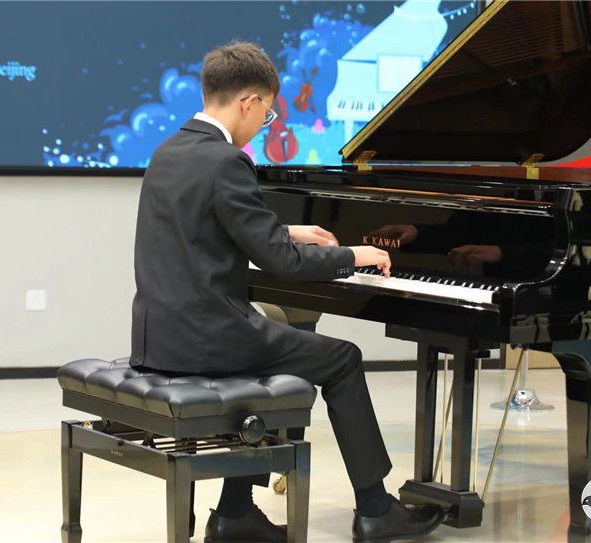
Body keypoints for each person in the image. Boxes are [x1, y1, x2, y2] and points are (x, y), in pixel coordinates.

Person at [129, 41, 445, 542]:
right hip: (210, 339)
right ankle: (375, 510)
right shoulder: (227, 161)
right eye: (268, 114)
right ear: (249, 102)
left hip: (158, 337)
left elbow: (204, 226)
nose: (265, 124)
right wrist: (355, 255)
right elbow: (283, 263)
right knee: (342, 359)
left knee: (281, 348)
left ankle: (236, 513)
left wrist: (286, 230)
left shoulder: (169, 153)